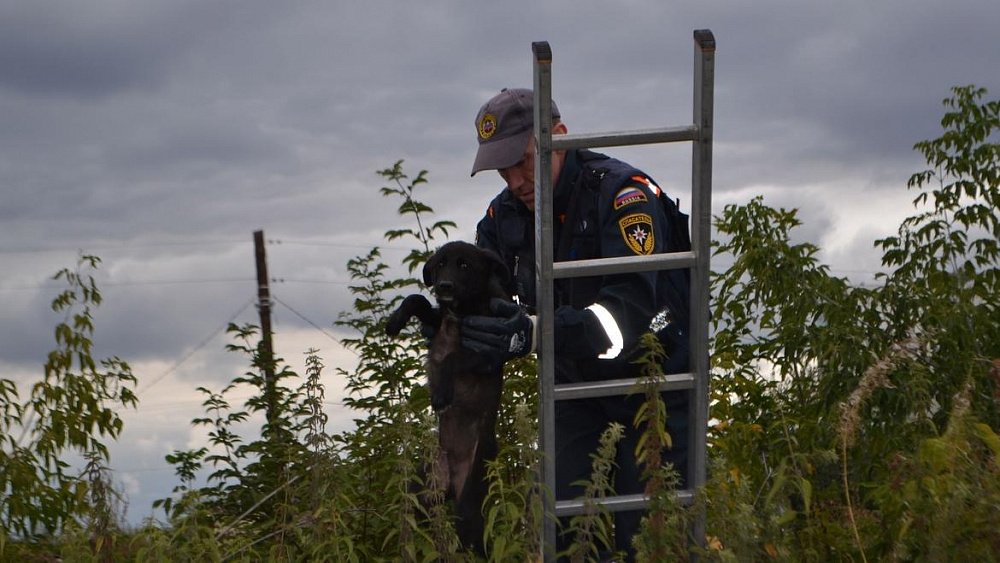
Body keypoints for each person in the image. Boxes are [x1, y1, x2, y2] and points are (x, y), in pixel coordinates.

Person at [460, 87, 691, 560]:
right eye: (503, 169)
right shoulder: (503, 216)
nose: (516, 179)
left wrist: (536, 333)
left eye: (523, 161)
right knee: (564, 529)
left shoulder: (623, 197)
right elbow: (487, 300)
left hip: (652, 391)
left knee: (648, 539)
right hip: (572, 393)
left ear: (558, 137)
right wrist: (452, 326)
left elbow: (626, 321)